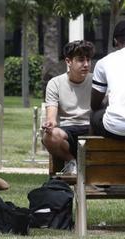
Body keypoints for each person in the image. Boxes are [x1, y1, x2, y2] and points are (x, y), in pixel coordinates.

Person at [42, 40, 95, 175]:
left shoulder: (96, 81)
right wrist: (49, 124)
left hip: (91, 128)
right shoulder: (55, 83)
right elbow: (52, 117)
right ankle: (71, 161)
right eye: (81, 60)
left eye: (88, 60)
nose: (86, 64)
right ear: (68, 61)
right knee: (49, 137)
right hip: (67, 130)